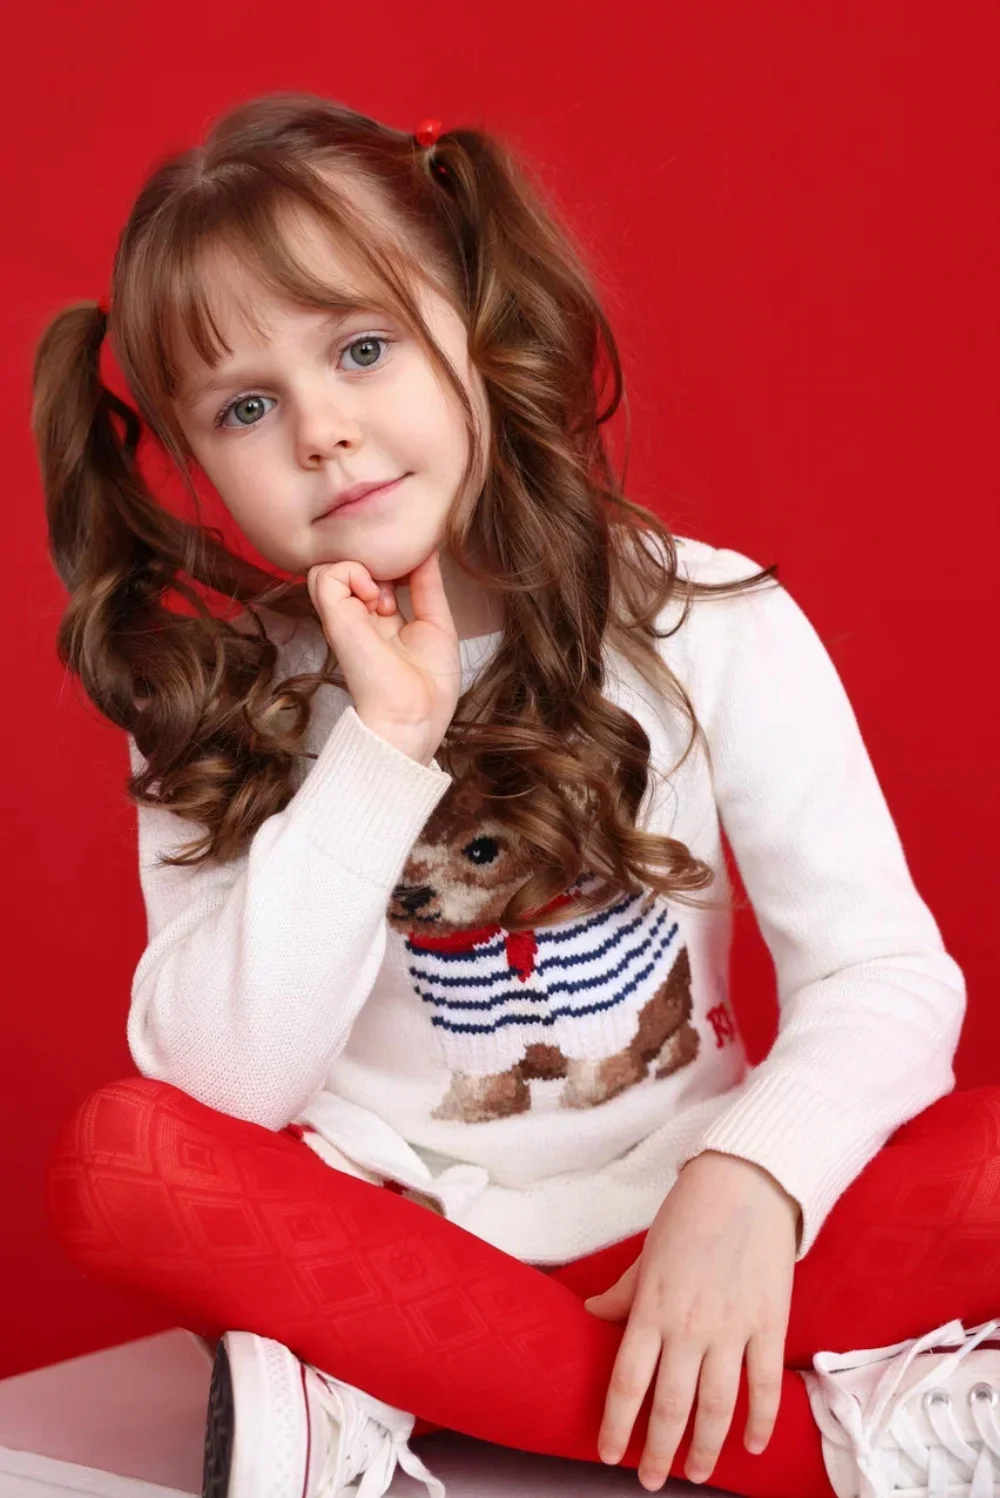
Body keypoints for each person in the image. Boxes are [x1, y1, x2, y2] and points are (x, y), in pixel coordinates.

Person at [31, 91, 999, 1498]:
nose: (321, 432)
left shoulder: (709, 618)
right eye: (246, 406)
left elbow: (884, 974)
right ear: (196, 456)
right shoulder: (218, 697)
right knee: (123, 1162)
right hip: (396, 1244)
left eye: (362, 347)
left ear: (473, 316)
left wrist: (752, 1180)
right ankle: (834, 1451)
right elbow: (224, 1086)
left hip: (693, 1229)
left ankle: (389, 1392)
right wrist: (387, 739)